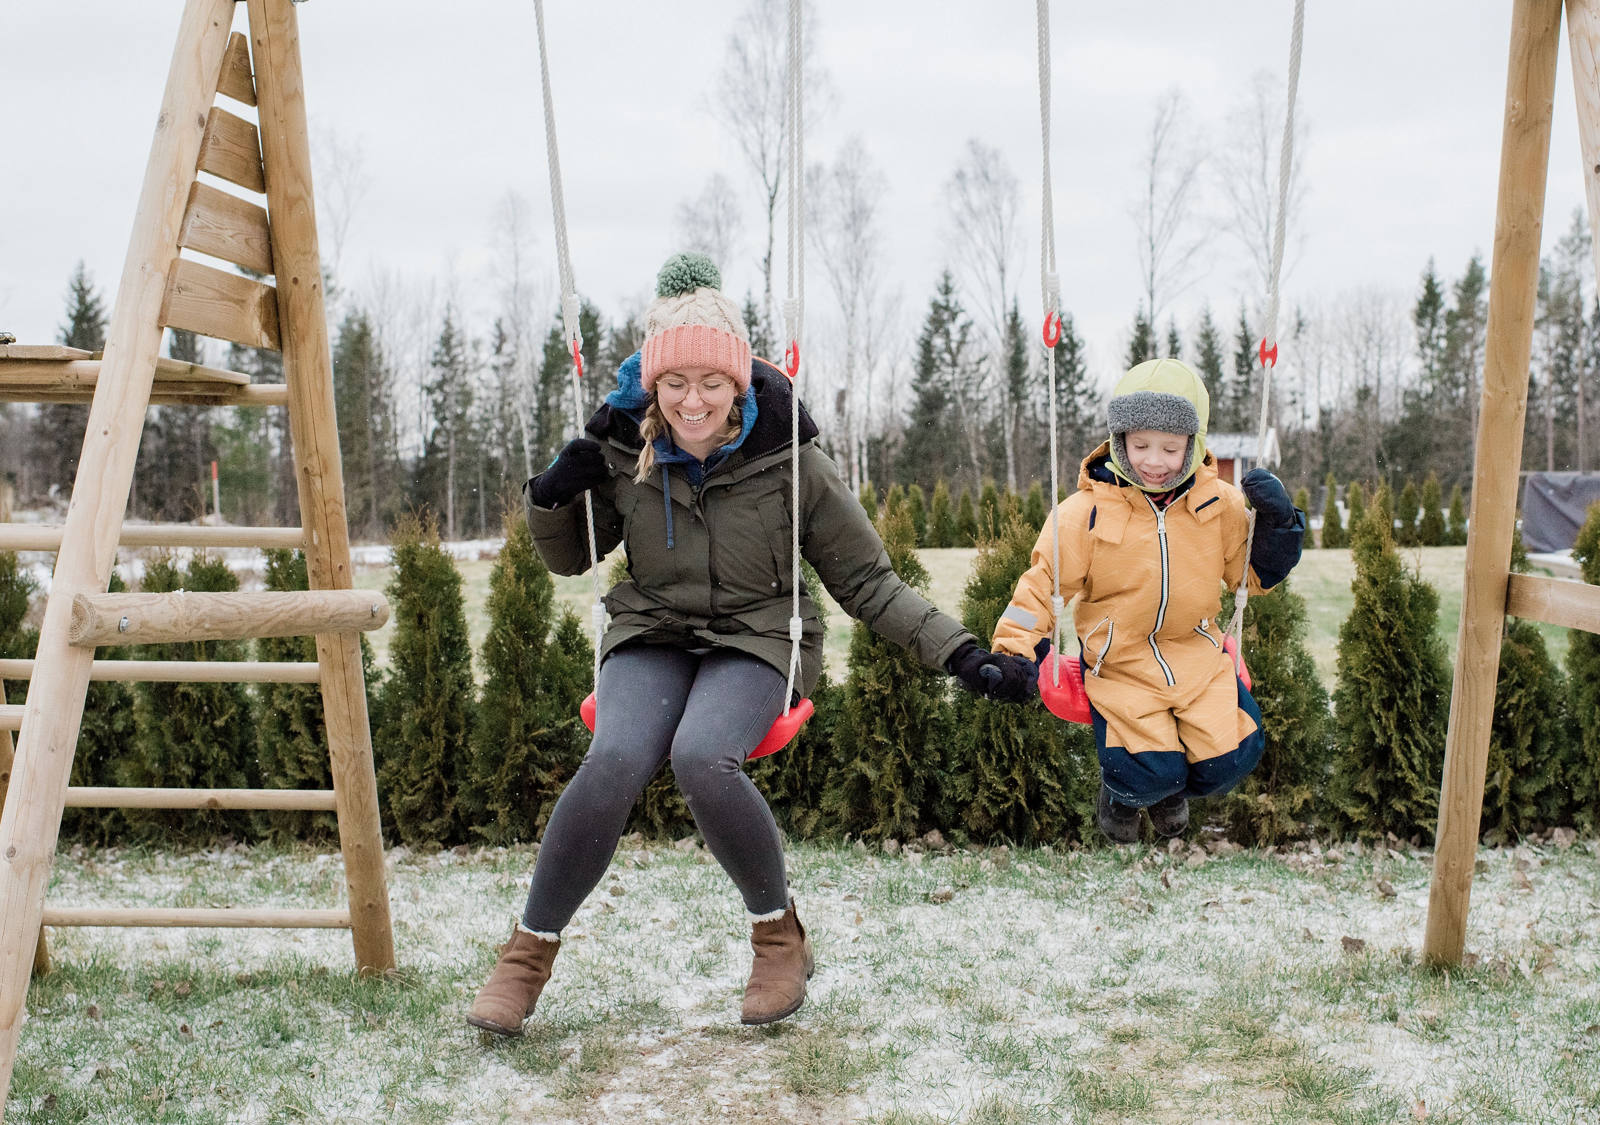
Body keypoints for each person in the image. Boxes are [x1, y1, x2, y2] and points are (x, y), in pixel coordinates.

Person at [467, 252, 1036, 1036]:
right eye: (674, 384)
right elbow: (569, 557)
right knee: (616, 757)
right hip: (652, 630)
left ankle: (778, 935)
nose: (692, 401)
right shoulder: (624, 451)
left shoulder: (791, 462)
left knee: (703, 755)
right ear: (651, 385)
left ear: (738, 382)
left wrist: (963, 654)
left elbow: (870, 582)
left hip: (762, 635)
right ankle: (527, 955)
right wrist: (549, 497)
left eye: (710, 383)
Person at [991, 357, 1304, 844]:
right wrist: (1015, 651)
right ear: (1119, 442)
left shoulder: (1218, 504)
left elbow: (1255, 575)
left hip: (1198, 654)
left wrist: (1279, 526)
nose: (1153, 460)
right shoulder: (1085, 514)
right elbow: (1042, 582)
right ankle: (1129, 793)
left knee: (1233, 756)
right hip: (1120, 663)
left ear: (1193, 445)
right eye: (1139, 445)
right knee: (1144, 771)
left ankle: (1169, 788)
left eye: (1170, 447)